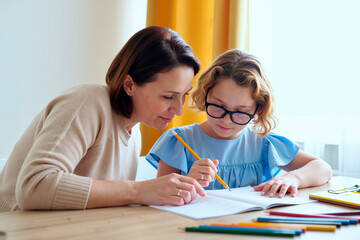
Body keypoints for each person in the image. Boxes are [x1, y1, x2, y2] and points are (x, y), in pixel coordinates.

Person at [0, 26, 206, 212]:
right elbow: (35, 186)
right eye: (168, 96)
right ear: (129, 85)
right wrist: (139, 191)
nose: (179, 110)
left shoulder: (134, 132)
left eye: (184, 95)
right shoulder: (87, 102)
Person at [146, 49, 332, 198]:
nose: (227, 120)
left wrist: (294, 177)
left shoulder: (264, 143)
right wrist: (188, 181)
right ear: (205, 95)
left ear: (257, 109)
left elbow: (323, 169)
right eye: (218, 106)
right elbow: (159, 197)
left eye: (241, 112)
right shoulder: (179, 141)